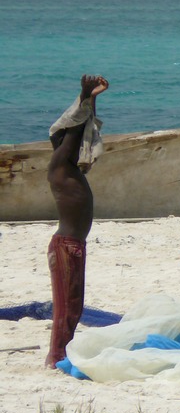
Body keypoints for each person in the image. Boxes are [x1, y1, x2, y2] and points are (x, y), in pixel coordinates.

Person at [45, 74, 109, 369]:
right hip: (65, 246)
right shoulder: (59, 164)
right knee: (65, 307)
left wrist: (92, 99)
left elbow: (83, 129)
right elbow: (75, 131)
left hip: (74, 245)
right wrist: (85, 95)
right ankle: (56, 355)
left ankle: (63, 352)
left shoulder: (70, 168)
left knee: (74, 305)